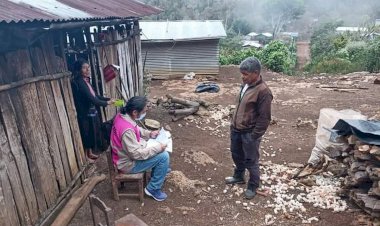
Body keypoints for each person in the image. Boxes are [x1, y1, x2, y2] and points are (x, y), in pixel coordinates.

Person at [225, 57, 273, 199]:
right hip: (236, 129)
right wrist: (233, 124)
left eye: (245, 74)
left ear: (256, 73)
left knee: (251, 160)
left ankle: (253, 185)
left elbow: (265, 118)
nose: (242, 76)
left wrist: (254, 136)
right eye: (242, 73)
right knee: (236, 154)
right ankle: (239, 176)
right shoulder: (245, 85)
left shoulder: (264, 91)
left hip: (249, 133)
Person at [110, 96, 170, 201]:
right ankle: (153, 189)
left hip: (125, 156)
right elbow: (136, 155)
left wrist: (150, 134)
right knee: (164, 156)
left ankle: (160, 169)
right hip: (127, 164)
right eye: (143, 112)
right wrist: (157, 148)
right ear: (135, 112)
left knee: (159, 151)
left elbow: (137, 129)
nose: (144, 113)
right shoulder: (126, 130)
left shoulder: (122, 116)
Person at [71, 59, 114, 162]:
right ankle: (86, 156)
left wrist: (108, 99)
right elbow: (93, 99)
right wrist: (107, 103)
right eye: (84, 68)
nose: (87, 70)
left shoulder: (86, 81)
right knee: (86, 134)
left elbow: (96, 95)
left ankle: (90, 153)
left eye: (88, 67)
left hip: (90, 112)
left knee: (90, 133)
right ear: (79, 69)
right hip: (84, 113)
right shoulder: (79, 82)